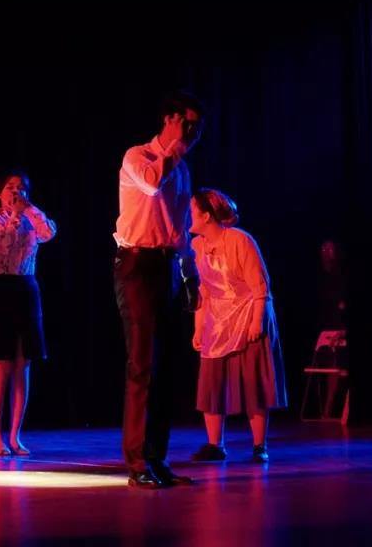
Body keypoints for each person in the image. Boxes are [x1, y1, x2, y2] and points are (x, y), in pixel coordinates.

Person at [113, 90, 203, 489]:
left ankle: (156, 459)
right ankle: (137, 463)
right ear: (169, 120)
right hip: (136, 264)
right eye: (187, 124)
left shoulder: (181, 169)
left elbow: (179, 228)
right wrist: (173, 150)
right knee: (143, 362)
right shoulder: (138, 156)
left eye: (197, 128)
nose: (192, 133)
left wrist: (190, 273)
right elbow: (151, 185)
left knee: (165, 366)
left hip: (166, 264)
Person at [188, 188, 287, 463]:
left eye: (192, 210)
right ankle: (215, 444)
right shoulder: (196, 246)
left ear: (206, 216)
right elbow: (203, 293)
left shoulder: (240, 241)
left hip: (247, 313)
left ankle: (259, 445)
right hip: (217, 318)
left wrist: (257, 321)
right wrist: (198, 328)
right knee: (212, 383)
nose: (187, 215)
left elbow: (260, 287)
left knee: (253, 382)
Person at [0, 170, 56, 456]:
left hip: (26, 287)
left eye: (21, 187)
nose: (16, 191)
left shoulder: (31, 216)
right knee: (1, 363)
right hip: (1, 288)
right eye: (10, 187)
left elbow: (48, 233)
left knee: (24, 364)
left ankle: (15, 436)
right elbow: (1, 240)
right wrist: (15, 214)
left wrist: (29, 210)